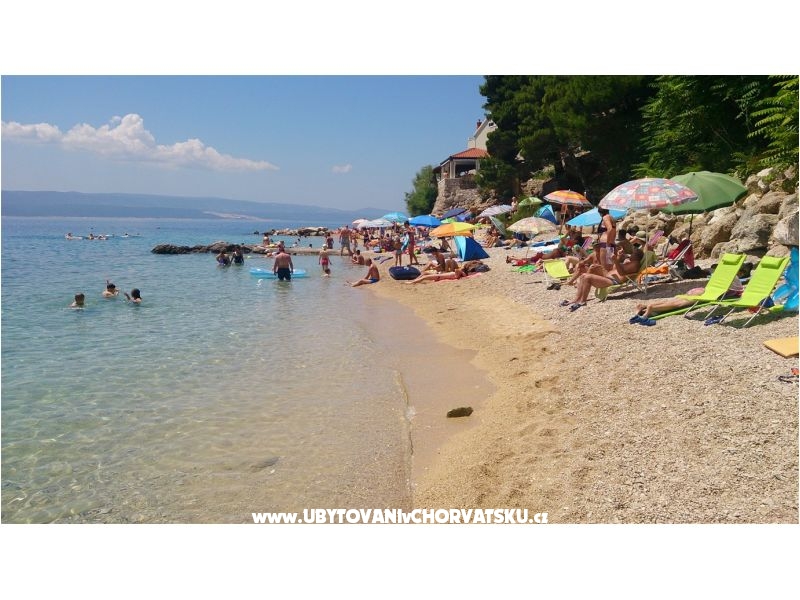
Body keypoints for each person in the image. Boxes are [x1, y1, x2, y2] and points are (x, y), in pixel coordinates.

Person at [561, 244, 643, 311]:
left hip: (613, 281)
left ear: (637, 256)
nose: (631, 254)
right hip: (608, 276)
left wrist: (616, 261)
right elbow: (615, 268)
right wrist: (618, 257)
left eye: (633, 253)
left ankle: (583, 301)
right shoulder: (630, 262)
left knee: (587, 277)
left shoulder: (635, 264)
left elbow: (621, 273)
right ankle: (576, 299)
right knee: (585, 273)